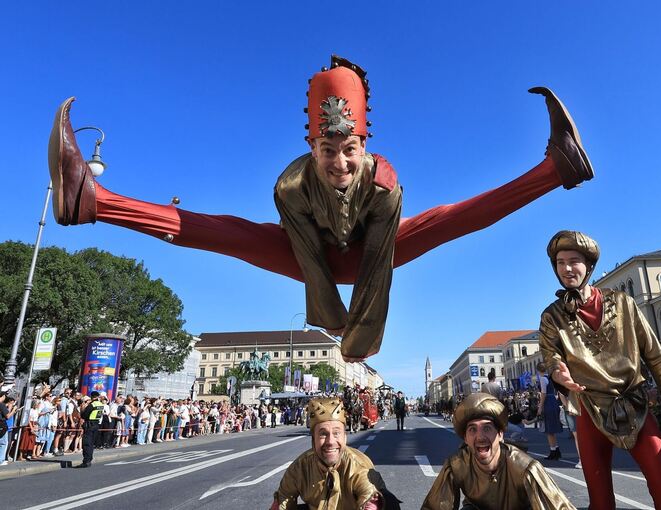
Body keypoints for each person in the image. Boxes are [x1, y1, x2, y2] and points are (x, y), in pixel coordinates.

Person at [47, 56, 594, 362]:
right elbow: (309, 261)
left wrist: (359, 342)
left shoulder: (383, 185)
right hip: (312, 259)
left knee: (449, 218)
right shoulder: (289, 189)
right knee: (224, 231)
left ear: (365, 146)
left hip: (369, 255)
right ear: (312, 149)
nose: (339, 163)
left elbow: (377, 270)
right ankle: (90, 200)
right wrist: (331, 320)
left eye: (349, 150)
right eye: (328, 151)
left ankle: (555, 169)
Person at [538, 230, 661, 510]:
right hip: (590, 409)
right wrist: (559, 373)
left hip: (635, 405)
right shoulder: (552, 315)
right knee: (600, 499)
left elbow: (654, 353)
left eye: (574, 260)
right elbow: (550, 356)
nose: (567, 268)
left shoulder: (623, 303)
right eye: (560, 262)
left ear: (589, 266)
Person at [422, 392, 575, 509]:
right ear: (465, 438)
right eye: (472, 430)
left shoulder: (525, 468)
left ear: (500, 434)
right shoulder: (456, 465)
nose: (480, 437)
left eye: (487, 428)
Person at [271, 397, 396, 509]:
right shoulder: (299, 467)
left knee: (389, 503)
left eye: (336, 433)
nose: (330, 441)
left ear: (345, 438)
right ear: (313, 439)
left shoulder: (358, 466)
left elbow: (369, 498)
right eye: (323, 434)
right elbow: (283, 499)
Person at [535, 362, 563, 460]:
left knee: (549, 429)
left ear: (538, 370)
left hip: (548, 402)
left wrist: (540, 407)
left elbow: (543, 393)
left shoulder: (542, 379)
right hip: (553, 401)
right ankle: (556, 450)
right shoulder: (549, 378)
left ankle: (553, 451)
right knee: (551, 429)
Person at [75, 391, 103, 468]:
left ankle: (86, 461)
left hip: (89, 425)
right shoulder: (101, 404)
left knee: (87, 443)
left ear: (92, 397)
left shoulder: (92, 405)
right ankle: (89, 459)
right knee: (91, 444)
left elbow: (84, 415)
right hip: (96, 424)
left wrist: (83, 409)